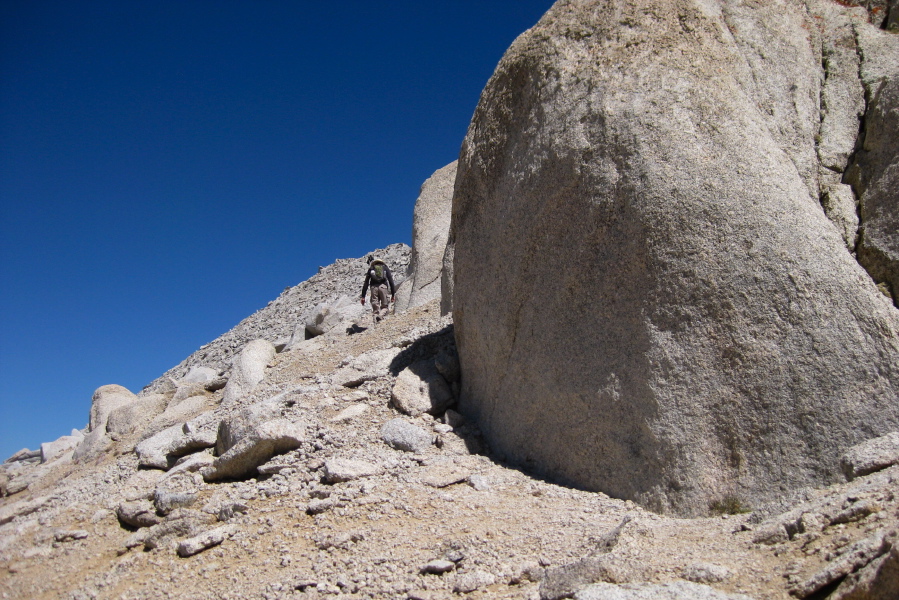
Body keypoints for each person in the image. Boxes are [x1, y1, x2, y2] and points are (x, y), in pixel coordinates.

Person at [360, 255, 396, 323]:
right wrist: (393, 295)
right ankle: (381, 315)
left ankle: (375, 322)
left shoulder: (371, 269)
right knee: (385, 306)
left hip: (373, 288)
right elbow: (391, 281)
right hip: (383, 287)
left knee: (375, 308)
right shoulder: (385, 268)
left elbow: (366, 283)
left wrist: (363, 296)